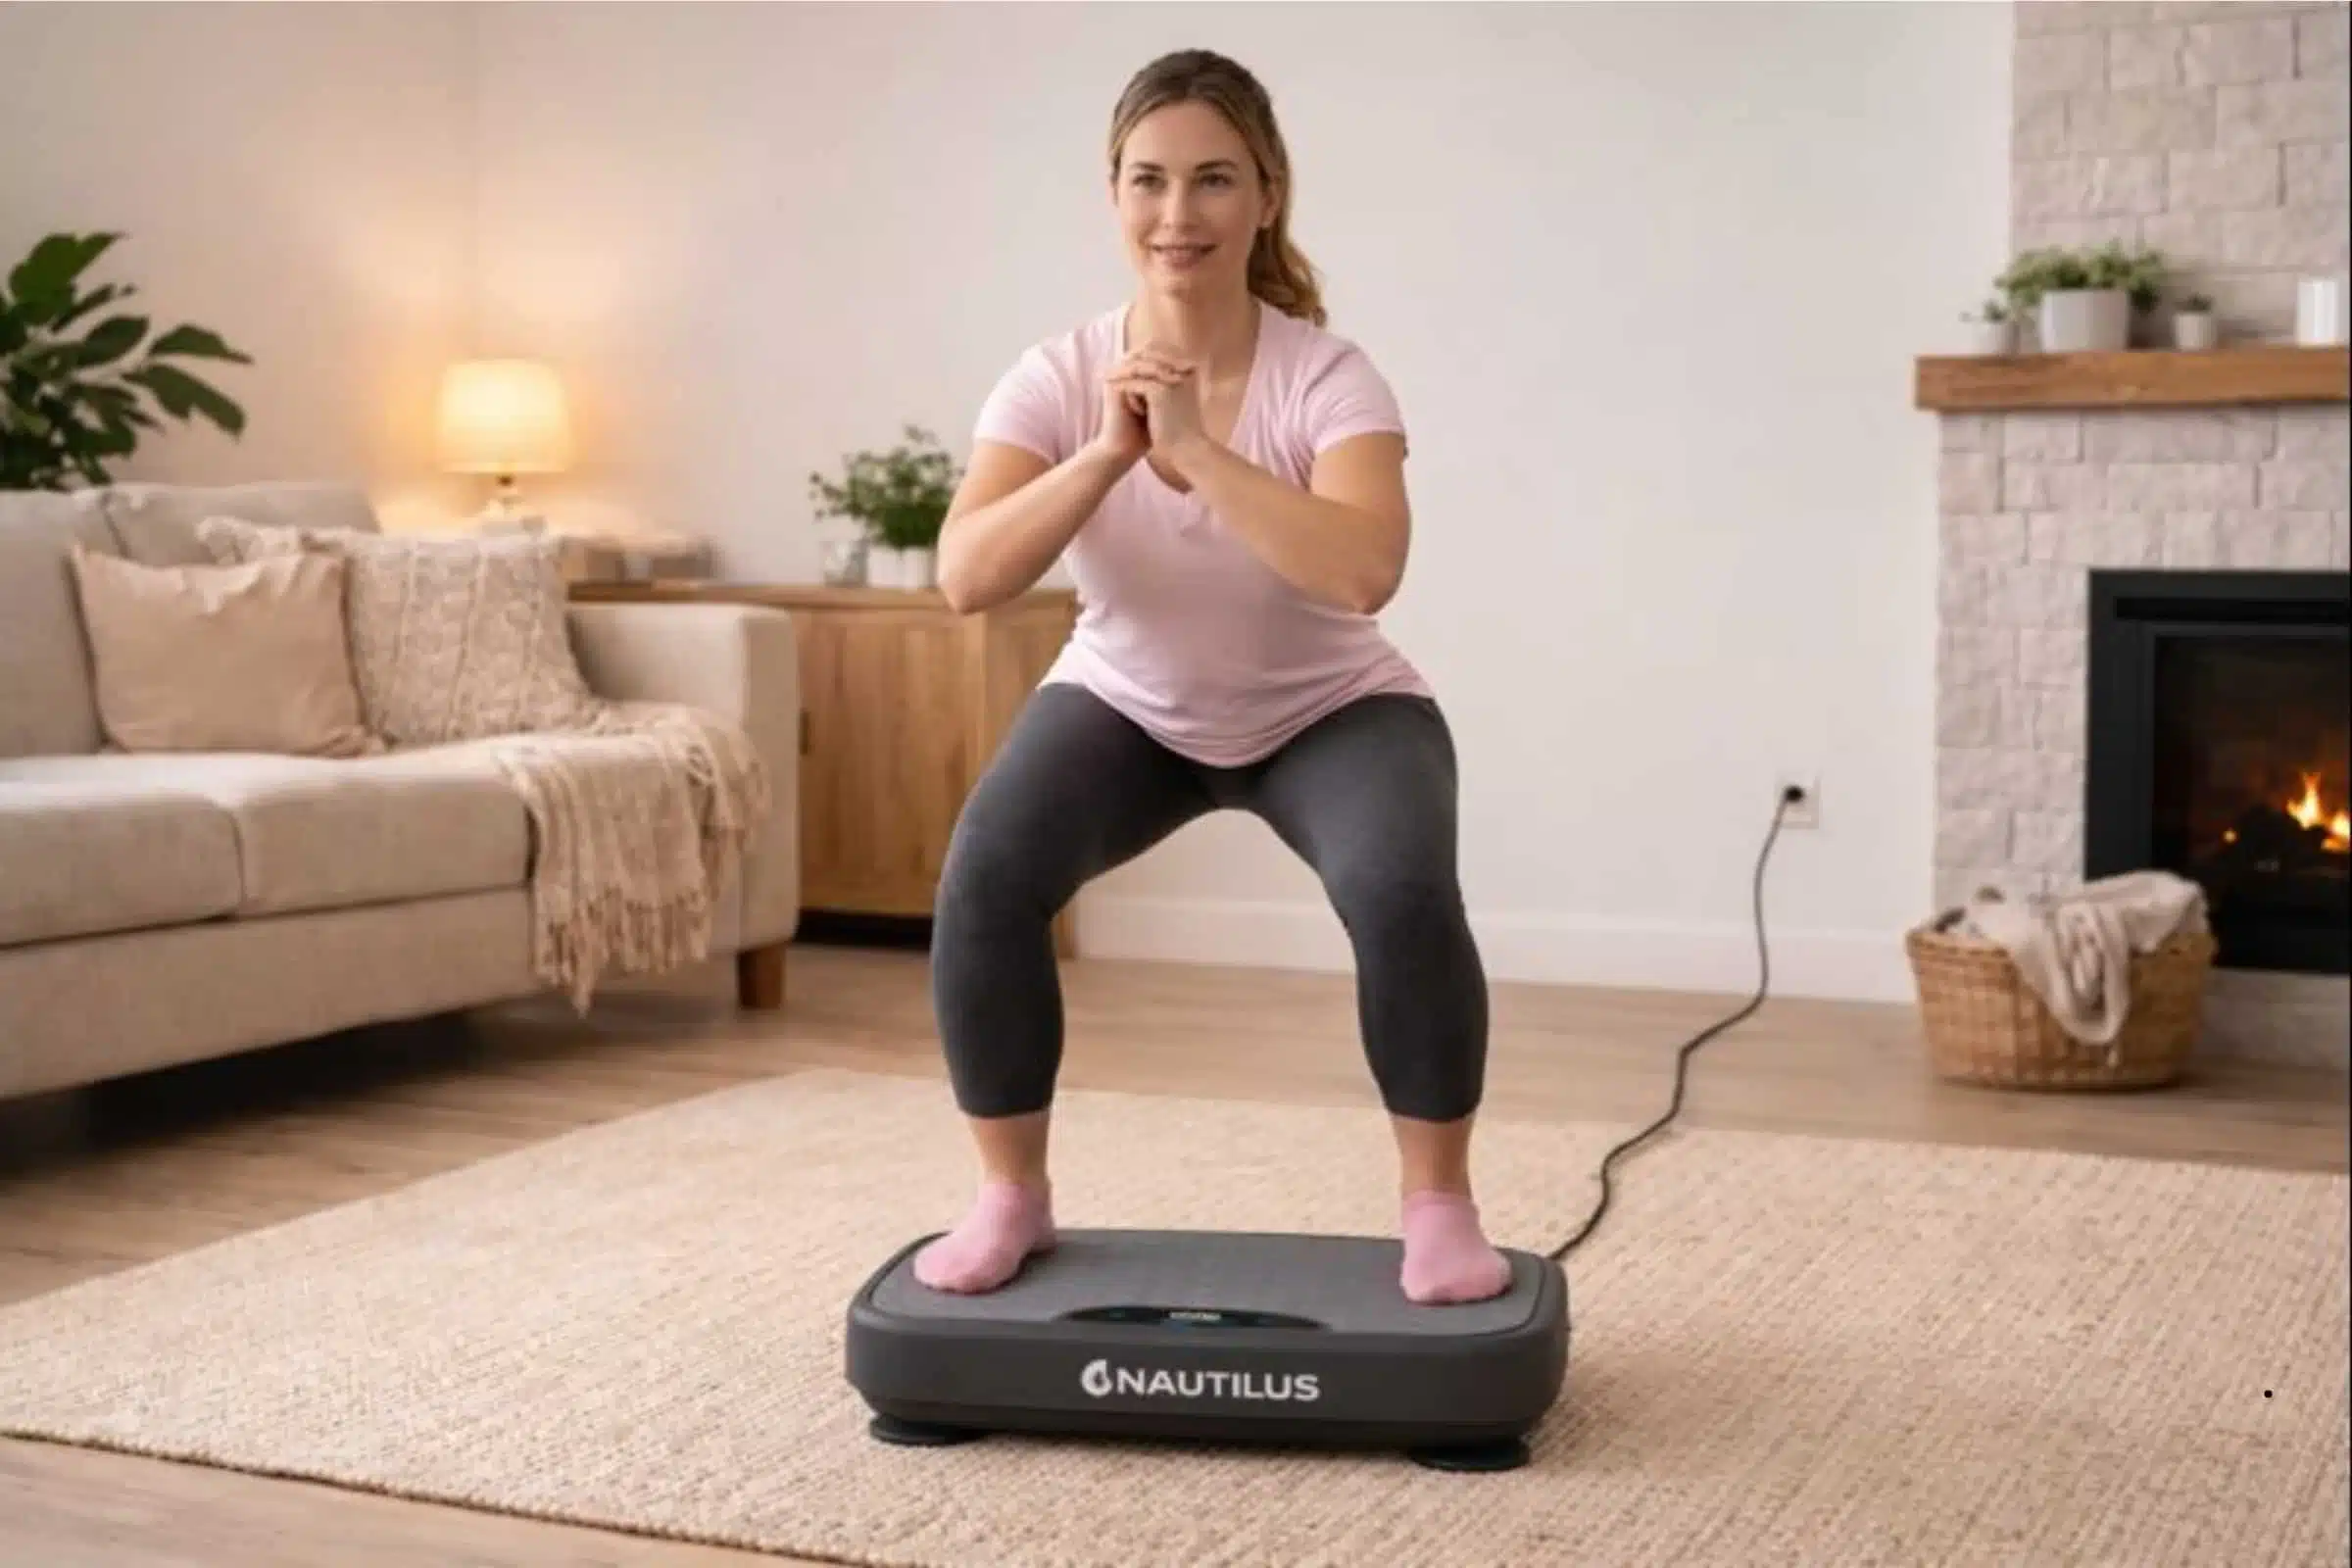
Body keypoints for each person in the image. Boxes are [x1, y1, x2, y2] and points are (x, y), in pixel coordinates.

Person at [913, 48, 1508, 1306]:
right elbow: (965, 575)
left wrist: (1196, 449)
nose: (1177, 214)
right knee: (987, 876)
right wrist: (1108, 454)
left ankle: (1439, 1206)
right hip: (1128, 704)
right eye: (1149, 181)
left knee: (1401, 890)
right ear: (1113, 195)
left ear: (1267, 195)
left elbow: (1364, 571)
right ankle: (1011, 1195)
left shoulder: (1329, 376)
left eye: (1214, 180)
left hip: (1331, 710)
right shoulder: (1055, 376)